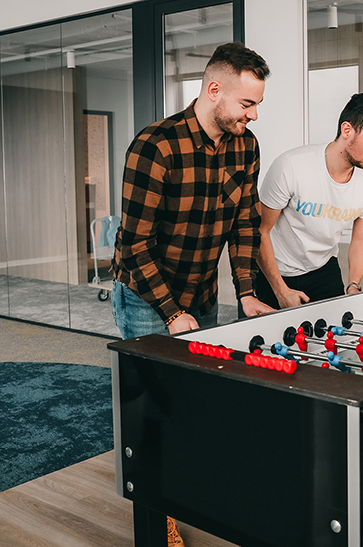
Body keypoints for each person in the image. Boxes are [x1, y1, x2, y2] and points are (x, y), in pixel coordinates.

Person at [111, 42, 276, 546]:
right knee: (154, 410)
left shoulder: (245, 146)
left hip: (201, 294)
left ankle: (187, 491)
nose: (251, 116)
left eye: (257, 107)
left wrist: (246, 293)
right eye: (246, 104)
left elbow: (244, 224)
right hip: (148, 298)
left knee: (193, 404)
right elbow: (133, 244)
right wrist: (172, 312)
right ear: (213, 89)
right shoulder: (154, 146)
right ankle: (157, 516)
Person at [255, 93, 363, 309]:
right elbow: (261, 230)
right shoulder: (291, 166)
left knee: (332, 339)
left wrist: (354, 285)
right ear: (347, 130)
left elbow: (361, 239)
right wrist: (280, 291)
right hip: (275, 272)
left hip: (324, 269)